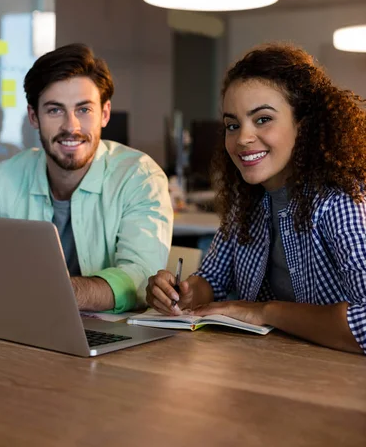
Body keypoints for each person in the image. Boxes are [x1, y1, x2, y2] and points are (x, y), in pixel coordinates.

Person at [147, 42, 366, 354]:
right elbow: (213, 280)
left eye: (263, 119)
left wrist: (264, 311)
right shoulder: (246, 204)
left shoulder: (341, 201)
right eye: (232, 125)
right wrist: (181, 293)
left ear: (303, 126)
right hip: (270, 369)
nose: (242, 139)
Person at [0, 43, 173, 313]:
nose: (71, 127)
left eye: (84, 110)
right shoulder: (4, 178)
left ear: (105, 113)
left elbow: (140, 277)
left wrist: (59, 292)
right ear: (33, 116)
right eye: (55, 110)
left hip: (112, 339)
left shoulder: (139, 177)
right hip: (19, 327)